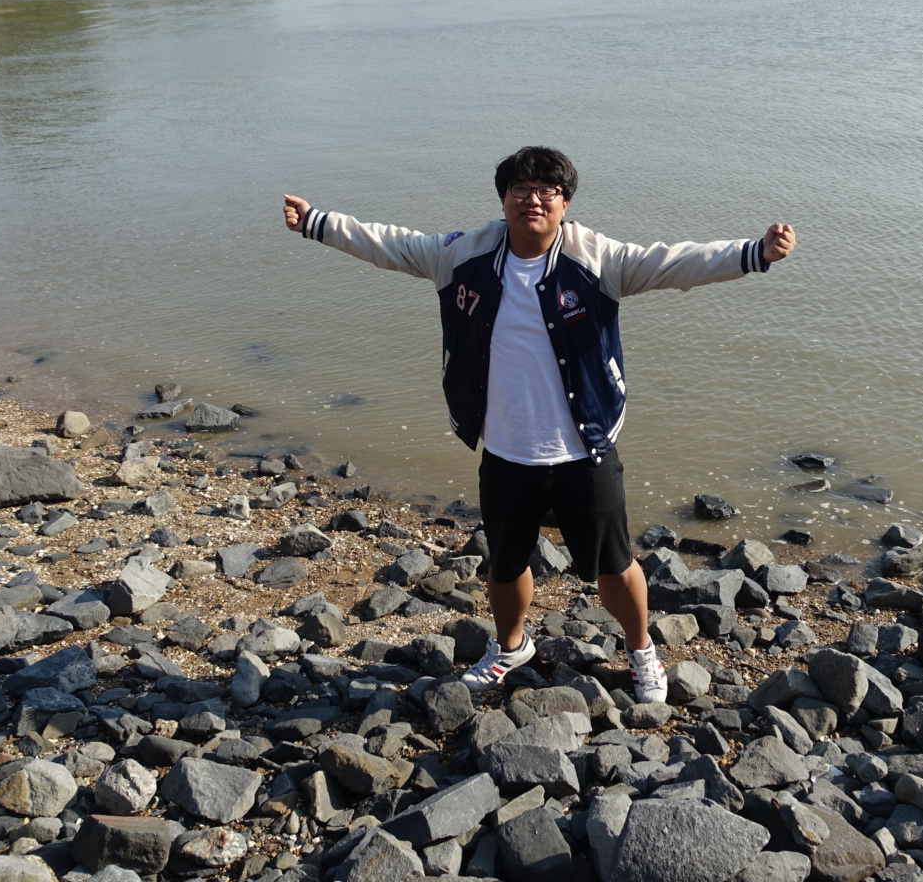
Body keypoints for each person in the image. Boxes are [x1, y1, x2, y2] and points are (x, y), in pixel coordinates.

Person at [282, 146, 796, 702]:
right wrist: (316, 222)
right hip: (507, 448)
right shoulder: (461, 255)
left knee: (614, 565)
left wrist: (754, 252)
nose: (533, 200)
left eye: (547, 191)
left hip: (585, 446)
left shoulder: (597, 259)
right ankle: (510, 646)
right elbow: (389, 244)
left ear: (564, 202)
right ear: (503, 199)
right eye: (520, 189)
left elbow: (674, 263)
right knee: (505, 565)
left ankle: (642, 649)